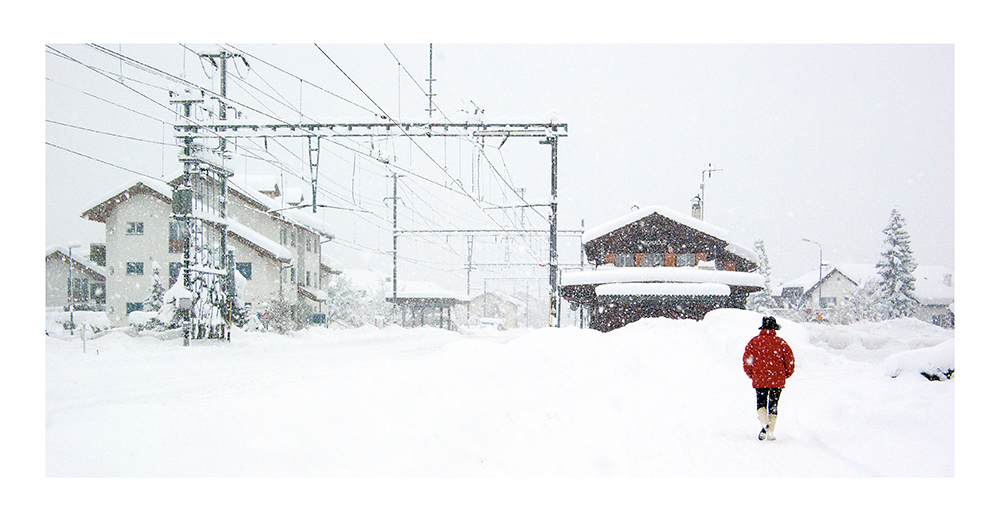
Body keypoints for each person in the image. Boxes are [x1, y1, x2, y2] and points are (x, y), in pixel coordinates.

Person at [743, 316, 795, 441]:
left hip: (759, 378)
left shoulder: (754, 342)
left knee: (761, 402)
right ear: (774, 329)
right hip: (777, 379)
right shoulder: (781, 343)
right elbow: (790, 361)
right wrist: (785, 374)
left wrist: (752, 374)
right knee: (774, 403)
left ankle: (764, 422)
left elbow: (747, 360)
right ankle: (770, 431)